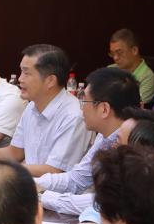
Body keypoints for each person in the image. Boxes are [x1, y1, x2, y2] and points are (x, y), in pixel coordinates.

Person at [0, 44, 92, 177]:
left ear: (50, 81)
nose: (20, 79)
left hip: (55, 190)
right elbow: (15, 152)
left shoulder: (73, 116)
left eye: (26, 73)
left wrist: (2, 167)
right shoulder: (32, 106)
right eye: (21, 72)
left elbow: (55, 171)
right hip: (30, 184)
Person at [37, 67, 139, 205]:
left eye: (84, 101)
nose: (81, 108)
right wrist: (34, 183)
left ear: (104, 109)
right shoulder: (105, 134)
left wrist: (40, 198)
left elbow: (104, 203)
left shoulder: (135, 142)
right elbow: (77, 180)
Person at [107, 28, 154, 106]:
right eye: (112, 54)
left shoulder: (147, 78)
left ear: (134, 50)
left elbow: (133, 106)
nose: (115, 58)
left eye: (119, 52)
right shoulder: (110, 69)